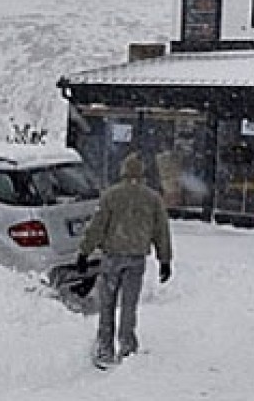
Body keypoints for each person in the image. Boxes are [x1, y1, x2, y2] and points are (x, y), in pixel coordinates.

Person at [77, 152, 173, 368]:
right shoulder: (152, 198)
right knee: (129, 305)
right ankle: (127, 345)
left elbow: (97, 226)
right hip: (136, 258)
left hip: (112, 256)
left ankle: (105, 348)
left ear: (123, 171)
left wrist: (84, 252)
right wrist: (164, 260)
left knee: (107, 304)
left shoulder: (111, 196)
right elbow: (161, 232)